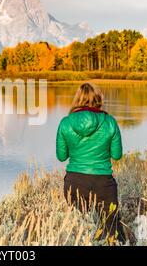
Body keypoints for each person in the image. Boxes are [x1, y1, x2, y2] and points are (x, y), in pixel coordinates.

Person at [56, 82, 125, 243]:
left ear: (77, 99)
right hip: (103, 183)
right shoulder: (109, 122)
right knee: (113, 230)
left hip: (74, 183)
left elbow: (61, 156)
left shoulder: (65, 123)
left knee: (79, 230)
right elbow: (117, 155)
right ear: (98, 99)